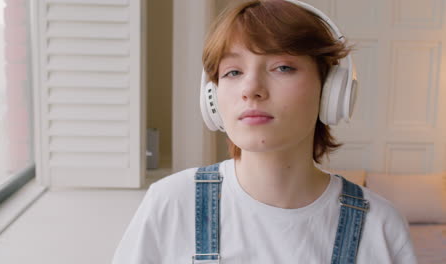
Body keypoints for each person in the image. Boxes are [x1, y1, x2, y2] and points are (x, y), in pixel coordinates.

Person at [112, 0, 417, 263]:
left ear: (330, 91)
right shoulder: (171, 203)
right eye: (233, 72)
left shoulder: (379, 226)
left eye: (282, 67)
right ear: (212, 98)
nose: (251, 89)